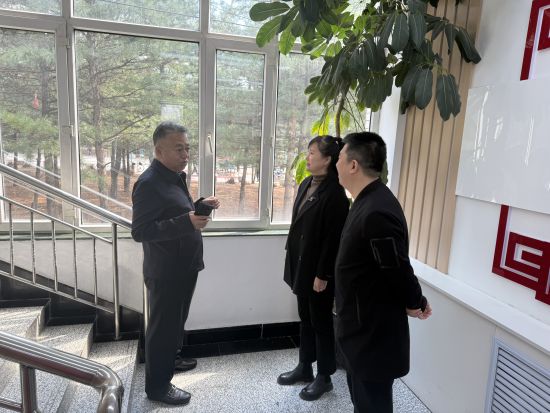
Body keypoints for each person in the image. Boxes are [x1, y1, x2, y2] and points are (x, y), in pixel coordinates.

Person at [334, 131, 432, 412]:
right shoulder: (366, 200)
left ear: (353, 165)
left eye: (340, 157)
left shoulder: (376, 210)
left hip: (372, 333)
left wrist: (415, 301)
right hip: (360, 327)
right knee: (362, 400)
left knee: (372, 404)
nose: (336, 164)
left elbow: (396, 267)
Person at [131, 121, 220, 406]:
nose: (185, 154)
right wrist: (187, 221)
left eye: (187, 148)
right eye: (179, 149)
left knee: (175, 322)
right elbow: (141, 231)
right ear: (159, 151)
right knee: (163, 329)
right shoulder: (148, 183)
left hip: (185, 265)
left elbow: (175, 212)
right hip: (166, 271)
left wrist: (200, 205)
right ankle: (157, 387)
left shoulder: (175, 177)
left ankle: (172, 359)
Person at [277, 135, 349, 401]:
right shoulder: (307, 183)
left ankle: (325, 377)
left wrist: (323, 275)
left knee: (321, 323)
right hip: (300, 264)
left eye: (311, 153)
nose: (307, 157)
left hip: (318, 271)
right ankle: (305, 367)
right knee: (305, 318)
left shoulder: (336, 194)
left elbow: (333, 240)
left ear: (327, 159)